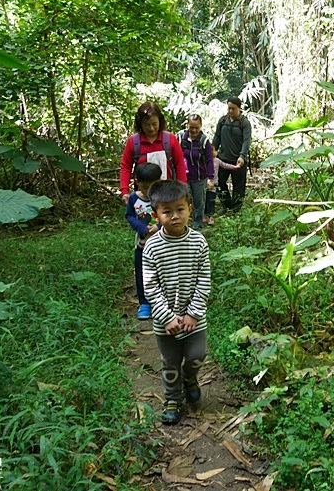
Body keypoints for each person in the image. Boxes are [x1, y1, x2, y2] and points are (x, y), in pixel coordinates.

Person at [142, 180, 211, 425]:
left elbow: (204, 279)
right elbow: (150, 286)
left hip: (195, 319)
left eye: (180, 209)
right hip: (166, 322)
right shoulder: (152, 247)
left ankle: (190, 378)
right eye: (167, 211)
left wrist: (193, 313)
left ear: (190, 209)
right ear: (155, 215)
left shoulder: (198, 242)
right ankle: (172, 398)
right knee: (170, 362)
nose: (174, 216)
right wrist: (167, 317)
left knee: (197, 354)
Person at [119, 101, 187, 204]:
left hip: (167, 195)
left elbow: (179, 164)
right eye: (146, 124)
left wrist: (182, 189)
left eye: (154, 124)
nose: (151, 128)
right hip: (142, 196)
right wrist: (124, 191)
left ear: (160, 121)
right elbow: (126, 167)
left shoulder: (170, 139)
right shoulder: (133, 142)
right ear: (140, 123)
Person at [126, 162, 162, 320]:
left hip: (162, 245)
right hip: (142, 245)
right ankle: (144, 303)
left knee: (162, 273)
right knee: (142, 274)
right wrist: (141, 227)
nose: (148, 191)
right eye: (144, 187)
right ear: (137, 182)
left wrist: (159, 226)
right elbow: (130, 216)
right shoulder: (134, 198)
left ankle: (160, 303)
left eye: (151, 187)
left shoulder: (162, 197)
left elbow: (169, 215)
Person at [212, 96, 251, 213]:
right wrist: (213, 150)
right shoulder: (223, 121)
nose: (230, 111)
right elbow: (217, 136)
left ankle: (236, 209)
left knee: (238, 186)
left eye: (233, 109)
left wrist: (242, 156)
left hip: (238, 160)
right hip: (223, 159)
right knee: (218, 183)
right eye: (229, 108)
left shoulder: (244, 123)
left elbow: (246, 141)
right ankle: (226, 205)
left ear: (239, 108)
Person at [177, 114, 214, 230]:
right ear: (187, 125)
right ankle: (183, 226)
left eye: (196, 128)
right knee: (183, 202)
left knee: (199, 203)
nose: (193, 130)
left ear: (200, 126)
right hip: (183, 178)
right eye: (191, 127)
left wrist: (210, 178)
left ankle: (197, 227)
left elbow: (209, 160)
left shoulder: (204, 141)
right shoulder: (180, 137)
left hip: (199, 178)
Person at [204, 147, 236, 225]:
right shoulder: (203, 161)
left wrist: (234, 167)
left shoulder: (217, 161)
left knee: (211, 201)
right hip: (204, 185)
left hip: (213, 185)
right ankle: (205, 215)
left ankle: (211, 216)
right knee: (204, 201)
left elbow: (225, 165)